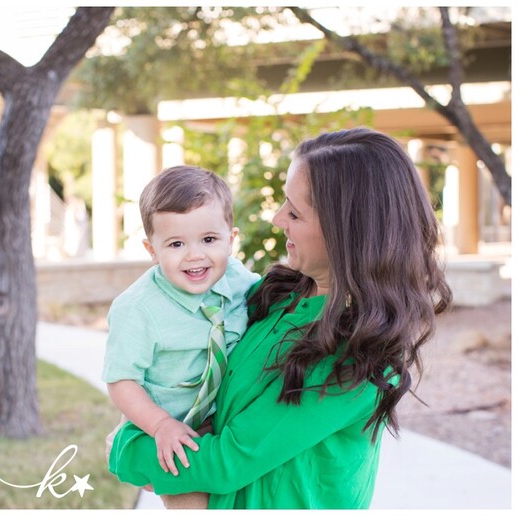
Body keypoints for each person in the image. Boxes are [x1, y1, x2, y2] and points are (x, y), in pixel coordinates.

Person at [108, 127, 452, 509]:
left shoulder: (356, 357)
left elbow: (225, 463)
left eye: (294, 211)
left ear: (343, 230)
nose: (276, 218)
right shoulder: (274, 295)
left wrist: (125, 449)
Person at [102, 165, 260, 509]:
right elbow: (121, 380)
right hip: (169, 427)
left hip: (224, 423)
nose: (195, 255)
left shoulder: (239, 280)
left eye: (209, 239)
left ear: (231, 240)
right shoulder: (138, 309)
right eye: (176, 243)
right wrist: (159, 426)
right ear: (152, 249)